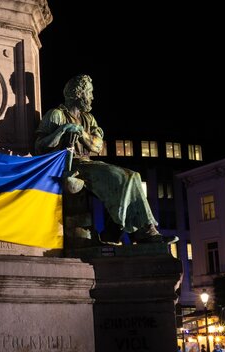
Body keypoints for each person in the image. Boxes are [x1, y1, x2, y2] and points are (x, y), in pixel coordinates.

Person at [34, 74, 177, 245]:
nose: (92, 97)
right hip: (69, 164)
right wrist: (62, 130)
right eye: (89, 93)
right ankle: (141, 231)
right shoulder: (56, 115)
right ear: (78, 94)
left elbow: (96, 146)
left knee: (134, 176)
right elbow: (39, 147)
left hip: (87, 163)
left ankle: (123, 230)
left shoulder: (88, 118)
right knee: (124, 177)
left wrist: (81, 132)